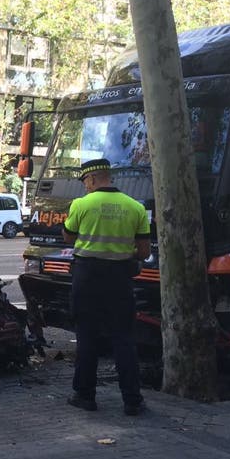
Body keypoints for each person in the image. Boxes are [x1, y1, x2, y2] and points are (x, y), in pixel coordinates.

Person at [63, 158, 151, 415]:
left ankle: (85, 395)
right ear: (109, 177)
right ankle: (132, 400)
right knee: (123, 338)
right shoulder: (135, 207)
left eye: (85, 182)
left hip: (87, 277)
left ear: (90, 179)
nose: (85, 187)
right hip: (119, 279)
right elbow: (144, 252)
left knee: (87, 336)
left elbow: (68, 237)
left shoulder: (81, 204)